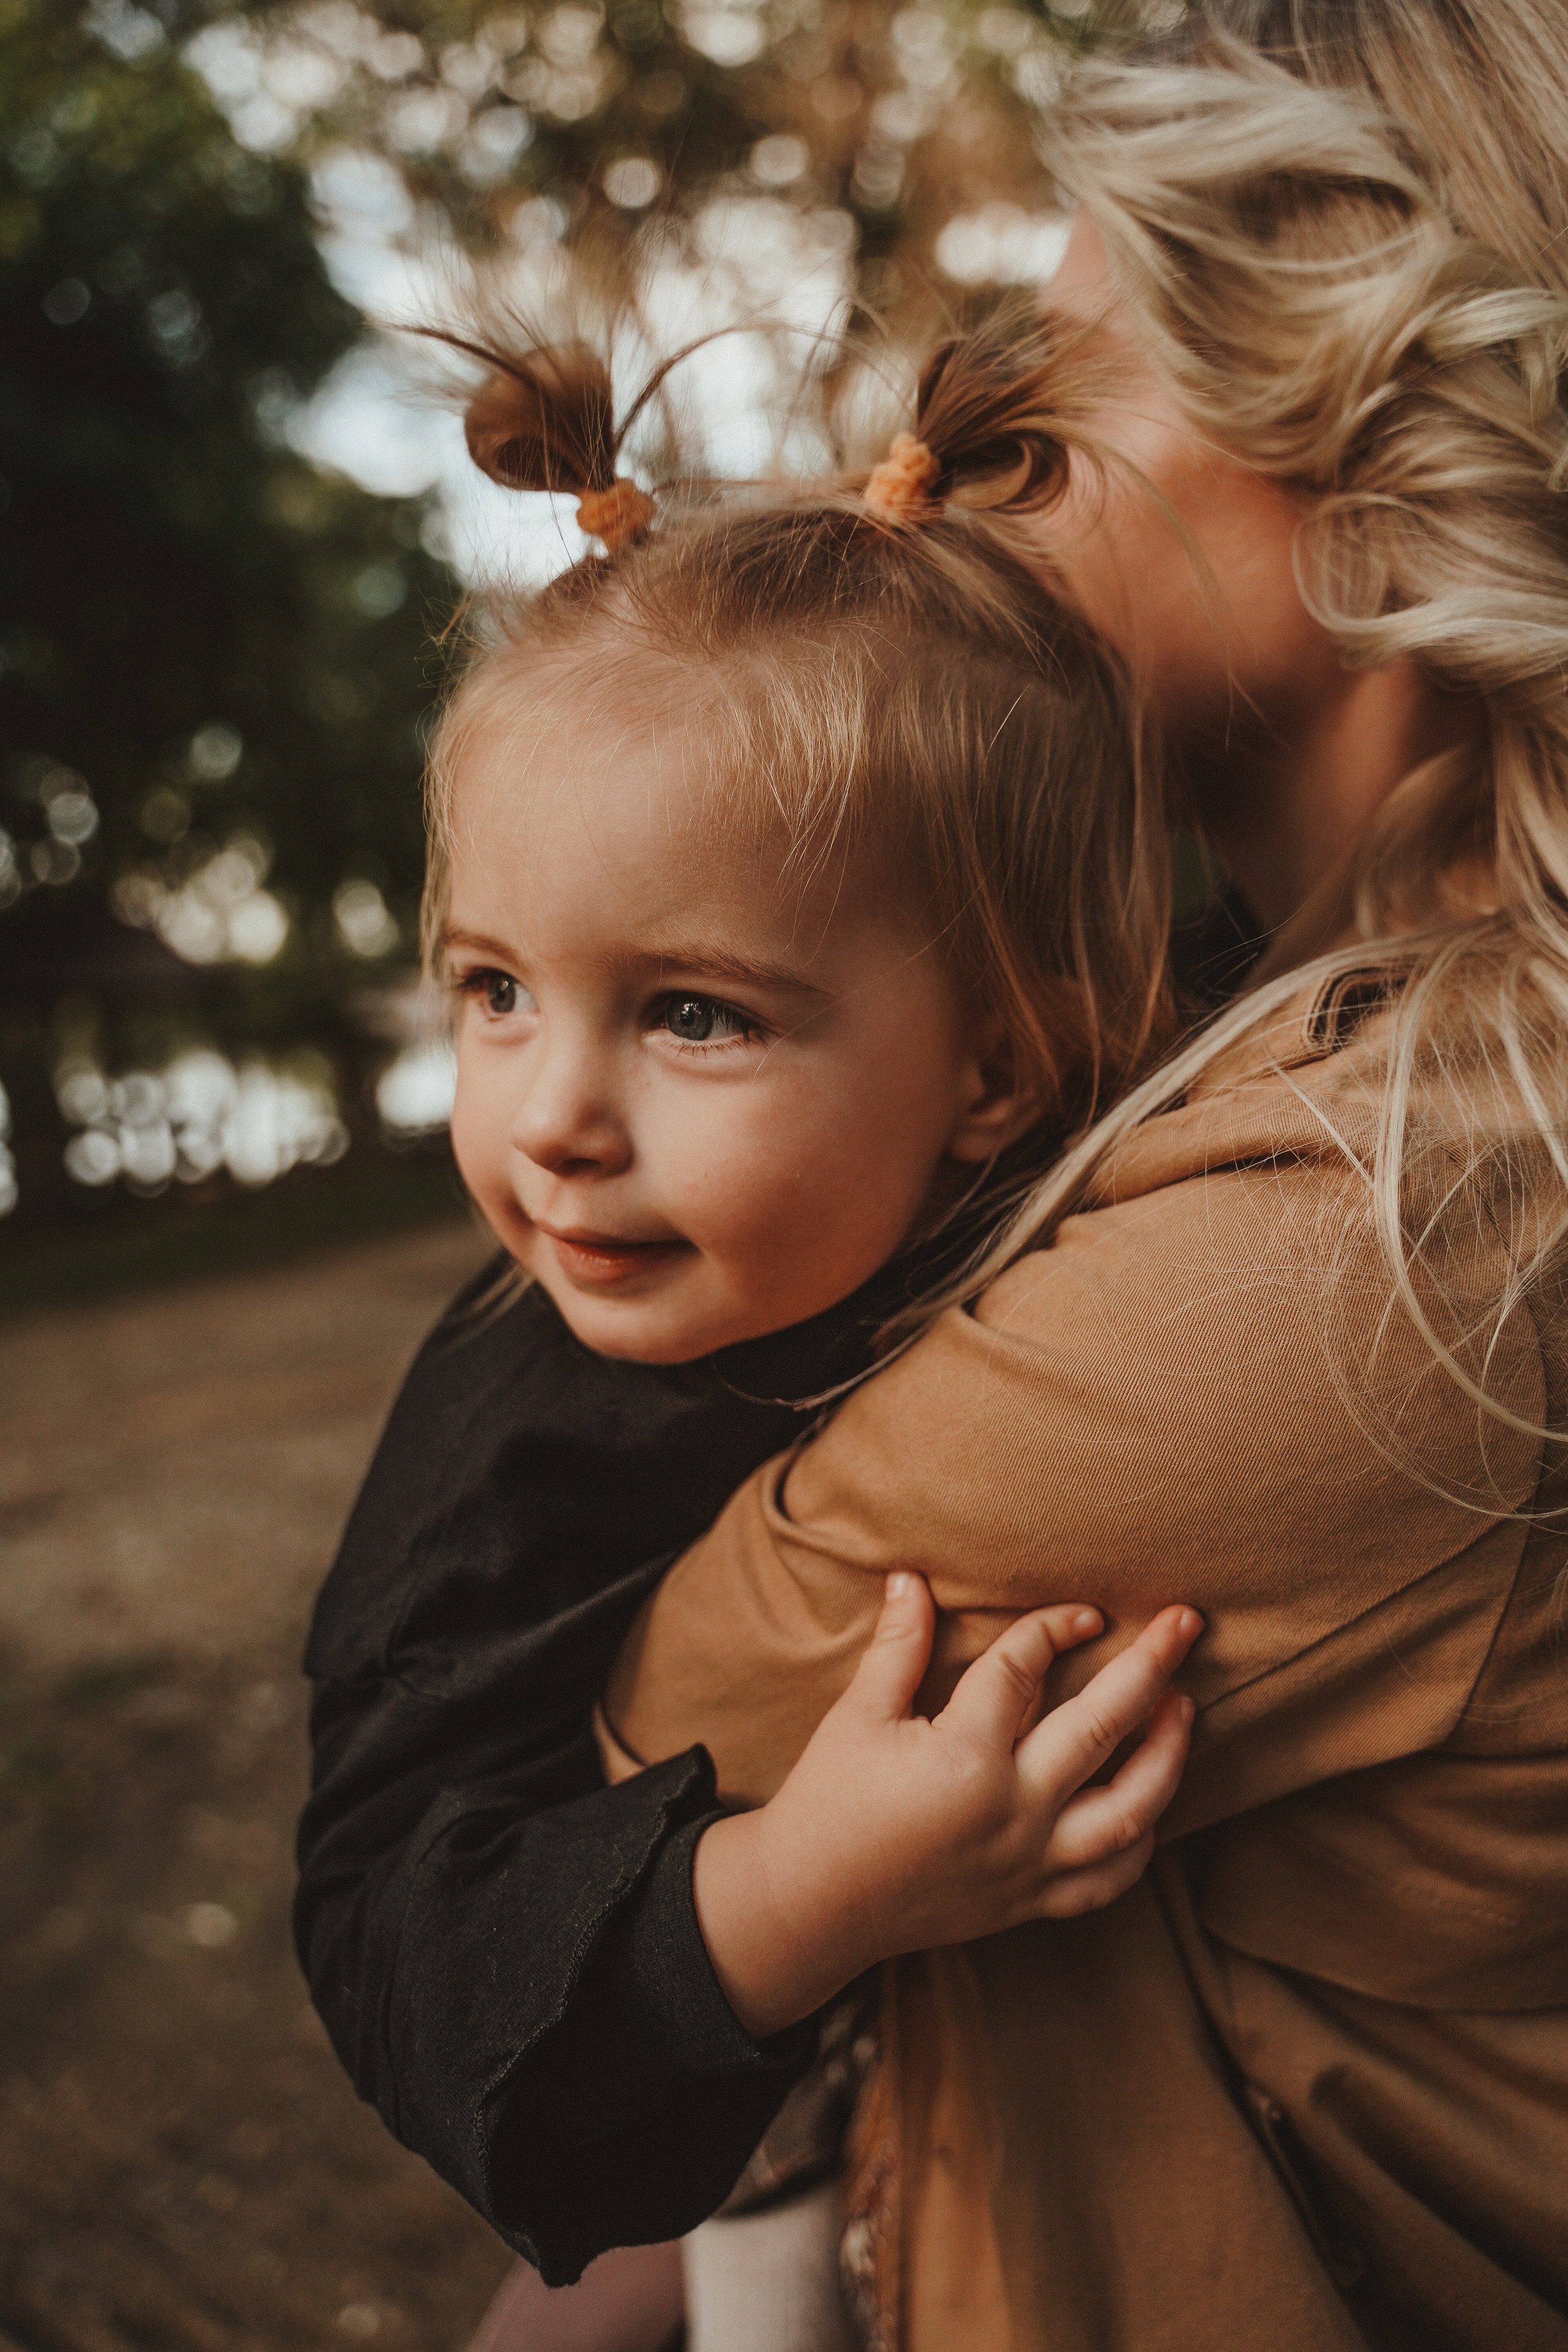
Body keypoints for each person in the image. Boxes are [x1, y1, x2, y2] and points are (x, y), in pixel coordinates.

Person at [295, 2, 1568, 2343]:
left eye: (1081, 358)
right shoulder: (1222, 991)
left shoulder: (1397, 1201)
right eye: (490, 988)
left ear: (1359, 424)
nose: (997, 446)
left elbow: (696, 1719)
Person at [297, 315, 1205, 2348]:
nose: (549, 1118)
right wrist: (802, 1892)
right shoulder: (513, 1445)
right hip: (698, 2137)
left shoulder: (1122, 1194)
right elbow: (395, 1941)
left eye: (691, 1012)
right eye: (494, 989)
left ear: (1002, 1065)